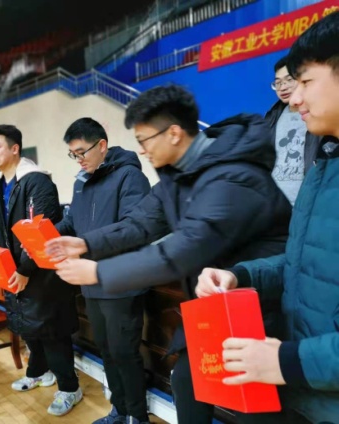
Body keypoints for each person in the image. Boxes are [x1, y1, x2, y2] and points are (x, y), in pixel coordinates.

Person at [46, 84, 292, 424]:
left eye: (145, 139)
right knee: (187, 383)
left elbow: (182, 251)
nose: (141, 149)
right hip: (216, 306)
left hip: (260, 310)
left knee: (255, 408)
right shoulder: (176, 179)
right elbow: (139, 224)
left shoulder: (234, 176)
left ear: (174, 133)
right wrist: (85, 243)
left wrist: (99, 272)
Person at [195, 12, 339, 424]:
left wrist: (284, 361)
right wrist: (240, 275)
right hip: (308, 395)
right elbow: (303, 263)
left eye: (305, 82)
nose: (293, 99)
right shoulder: (324, 168)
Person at [55, 117, 151, 424]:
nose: (78, 160)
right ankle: (119, 410)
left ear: (102, 145)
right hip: (90, 281)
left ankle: (137, 416)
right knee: (107, 351)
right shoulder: (81, 182)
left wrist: (86, 243)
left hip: (121, 281)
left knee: (125, 353)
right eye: (73, 154)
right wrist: (47, 233)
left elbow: (133, 229)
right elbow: (72, 223)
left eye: (82, 152)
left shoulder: (129, 177)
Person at [0, 124, 82, 416]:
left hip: (42, 272)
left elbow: (43, 231)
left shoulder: (37, 182)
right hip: (16, 271)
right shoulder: (1, 185)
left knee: (51, 332)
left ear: (15, 148)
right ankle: (39, 372)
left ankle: (70, 388)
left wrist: (26, 270)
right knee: (28, 327)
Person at [265, 54, 321, 205]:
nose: (283, 87)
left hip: (308, 203)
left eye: (289, 80)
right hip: (276, 205)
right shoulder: (271, 117)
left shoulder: (319, 114)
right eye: (278, 83)